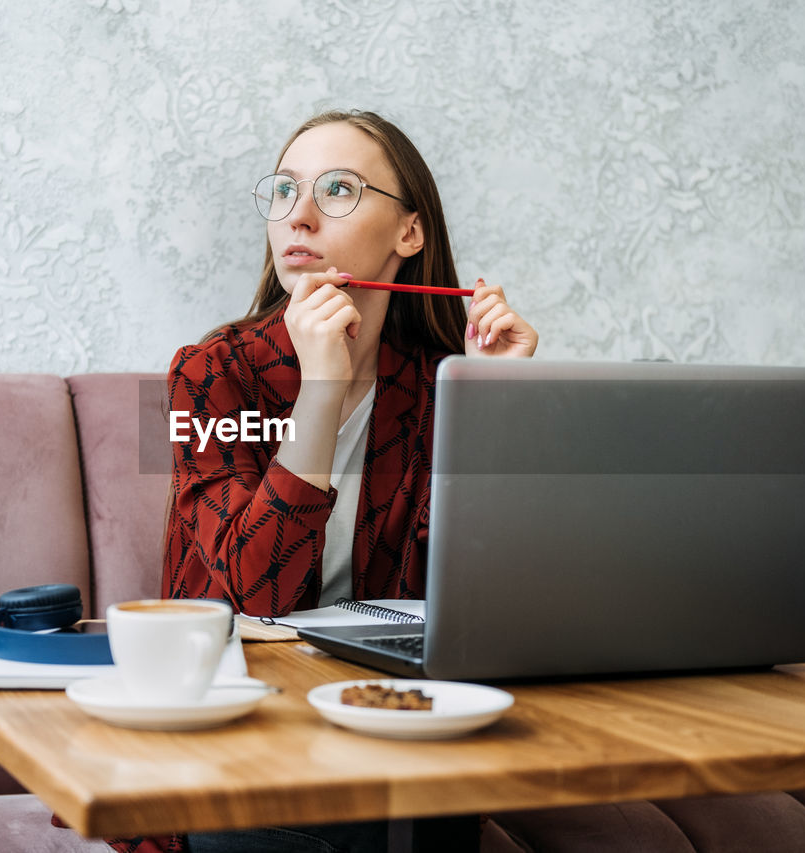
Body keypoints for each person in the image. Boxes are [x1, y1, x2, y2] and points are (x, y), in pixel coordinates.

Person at [145, 110, 537, 853]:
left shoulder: (435, 387)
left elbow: (474, 604)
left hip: (390, 722)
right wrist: (321, 390)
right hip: (231, 731)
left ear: (409, 234)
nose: (298, 213)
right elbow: (255, 595)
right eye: (286, 188)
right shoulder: (208, 375)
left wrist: (493, 406)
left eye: (337, 189)